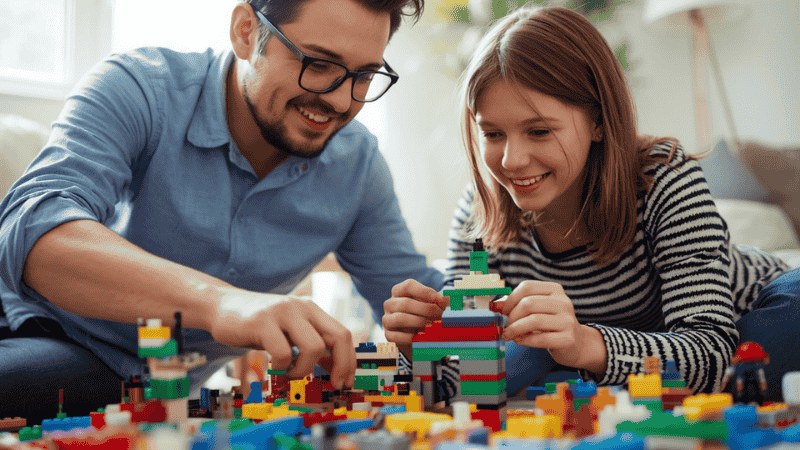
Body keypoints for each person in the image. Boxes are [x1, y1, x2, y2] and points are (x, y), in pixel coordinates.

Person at [0, 0, 443, 425]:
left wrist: (497, 306)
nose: (344, 102)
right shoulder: (139, 87)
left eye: (364, 75)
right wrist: (224, 303)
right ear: (246, 32)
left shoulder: (358, 166)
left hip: (157, 388)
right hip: (28, 327)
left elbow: (419, 297)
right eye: (319, 65)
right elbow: (31, 231)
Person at [383, 6, 800, 401]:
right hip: (619, 356)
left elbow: (708, 352)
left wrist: (584, 342)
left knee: (755, 354)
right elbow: (464, 382)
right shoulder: (482, 210)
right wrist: (417, 346)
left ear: (599, 120)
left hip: (756, 307)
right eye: (493, 134)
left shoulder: (665, 177)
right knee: (526, 362)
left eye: (540, 131)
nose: (511, 160)